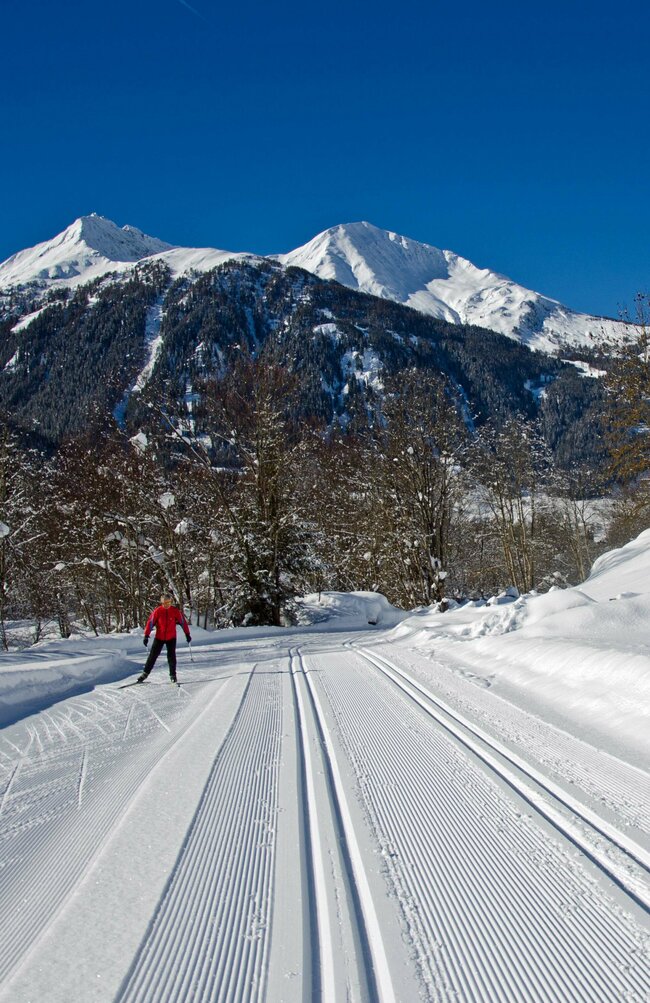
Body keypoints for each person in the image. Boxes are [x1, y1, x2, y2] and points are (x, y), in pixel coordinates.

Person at [138, 594, 191, 684]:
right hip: (159, 637)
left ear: (171, 602)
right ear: (161, 603)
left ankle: (173, 675)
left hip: (171, 637)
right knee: (152, 656)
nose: (166, 604)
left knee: (171, 657)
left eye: (168, 602)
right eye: (164, 603)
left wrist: (187, 634)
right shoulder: (158, 611)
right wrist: (146, 635)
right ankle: (145, 674)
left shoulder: (175, 611)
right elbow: (150, 623)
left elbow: (183, 622)